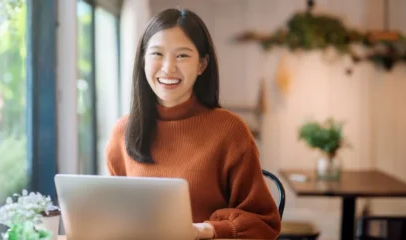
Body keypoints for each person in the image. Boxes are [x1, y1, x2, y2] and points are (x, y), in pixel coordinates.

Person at [105, 8, 281, 239]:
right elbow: (111, 212)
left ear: (202, 64)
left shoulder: (230, 131)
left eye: (182, 55)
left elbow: (264, 223)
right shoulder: (123, 131)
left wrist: (206, 230)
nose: (168, 68)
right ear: (142, 61)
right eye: (157, 54)